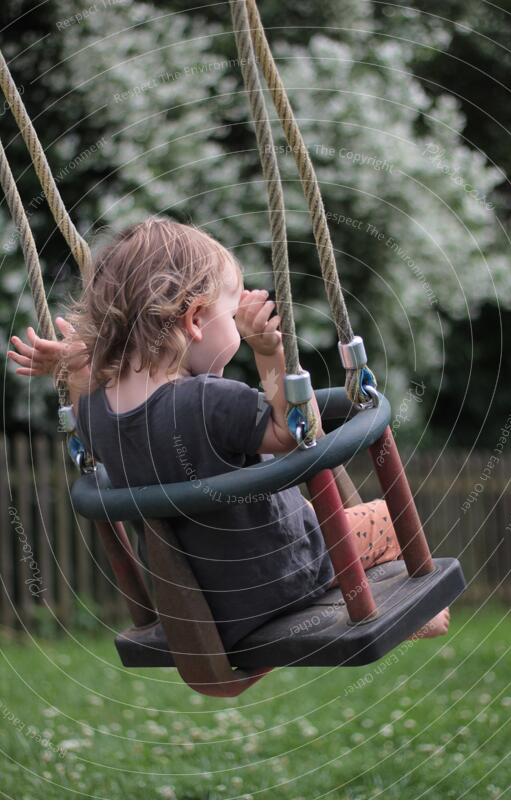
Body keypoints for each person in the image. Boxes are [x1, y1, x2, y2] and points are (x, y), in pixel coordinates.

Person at [9, 217, 449, 650]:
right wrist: (270, 351)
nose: (238, 322)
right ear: (196, 318)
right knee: (389, 521)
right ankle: (418, 618)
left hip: (201, 606)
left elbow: (98, 395)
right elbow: (299, 431)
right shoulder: (213, 401)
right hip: (286, 573)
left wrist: (76, 369)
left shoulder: (96, 413)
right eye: (232, 309)